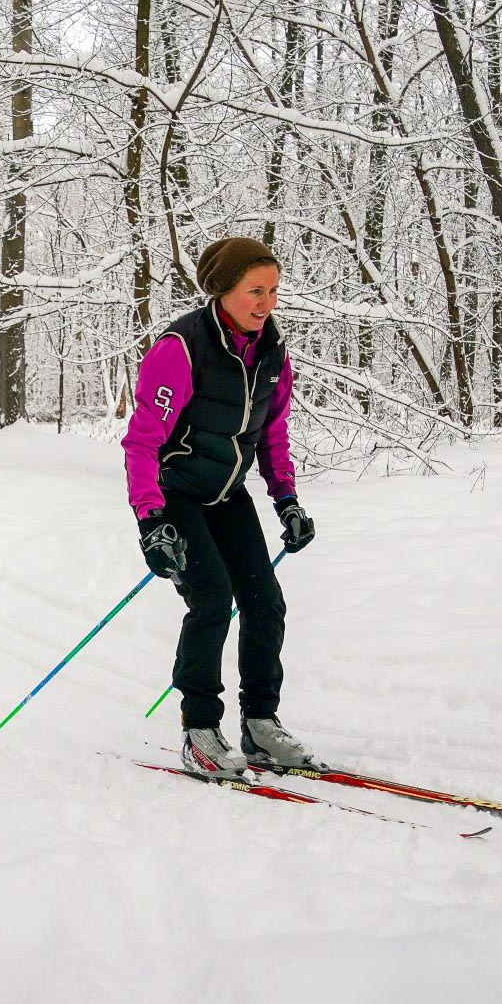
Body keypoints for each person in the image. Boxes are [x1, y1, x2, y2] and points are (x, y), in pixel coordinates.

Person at [122, 236, 320, 776]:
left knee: (265, 603)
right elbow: (142, 442)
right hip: (176, 496)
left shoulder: (273, 351)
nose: (267, 302)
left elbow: (272, 433)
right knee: (211, 598)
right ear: (223, 290)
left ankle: (260, 726)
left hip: (228, 494)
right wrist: (151, 521)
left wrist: (287, 501)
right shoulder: (181, 348)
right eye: (255, 290)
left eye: (274, 290)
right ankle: (199, 731)